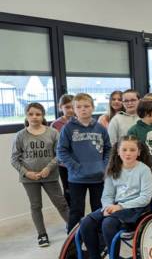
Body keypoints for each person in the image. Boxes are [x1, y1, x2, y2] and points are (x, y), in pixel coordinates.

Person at [78, 135, 152, 259]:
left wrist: (120, 207)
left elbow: (145, 197)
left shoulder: (144, 170)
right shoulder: (113, 170)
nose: (128, 153)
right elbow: (107, 195)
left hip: (135, 207)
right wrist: (106, 207)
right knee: (86, 222)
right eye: (124, 149)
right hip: (115, 206)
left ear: (138, 152)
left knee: (108, 224)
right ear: (118, 151)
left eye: (132, 150)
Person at [11, 103, 69, 247]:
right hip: (29, 179)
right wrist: (26, 173)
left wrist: (49, 168)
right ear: (26, 115)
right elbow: (14, 159)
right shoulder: (20, 135)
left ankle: (74, 227)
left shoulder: (52, 133)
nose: (34, 117)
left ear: (43, 115)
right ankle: (42, 234)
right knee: (36, 206)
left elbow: (60, 154)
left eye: (38, 114)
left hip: (50, 176)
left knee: (61, 203)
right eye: (31, 114)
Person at [57, 93, 111, 232]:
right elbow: (61, 151)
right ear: (74, 110)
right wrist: (75, 167)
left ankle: (99, 240)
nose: (83, 109)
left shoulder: (100, 128)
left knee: (98, 210)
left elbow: (108, 149)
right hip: (77, 179)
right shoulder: (68, 129)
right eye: (79, 107)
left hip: (98, 178)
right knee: (76, 211)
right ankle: (72, 247)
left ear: (93, 108)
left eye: (86, 106)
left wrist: (104, 166)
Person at [51, 94, 74, 207]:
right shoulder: (56, 125)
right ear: (60, 107)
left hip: (78, 163)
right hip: (64, 164)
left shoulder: (80, 121)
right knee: (68, 190)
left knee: (78, 190)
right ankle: (70, 218)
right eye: (67, 107)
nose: (71, 110)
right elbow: (54, 146)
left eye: (73, 106)